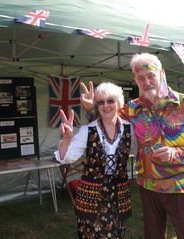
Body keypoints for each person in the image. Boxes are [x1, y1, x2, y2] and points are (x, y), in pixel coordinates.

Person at [80, 53, 184, 239]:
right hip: (148, 186)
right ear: (136, 80)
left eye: (151, 76)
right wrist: (90, 109)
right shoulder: (131, 109)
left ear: (162, 73)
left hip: (179, 184)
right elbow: (107, 122)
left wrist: (175, 153)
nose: (147, 82)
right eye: (141, 78)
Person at [54, 82, 137, 239]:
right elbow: (66, 157)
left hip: (119, 194)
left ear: (119, 102)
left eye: (110, 100)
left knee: (118, 235)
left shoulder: (129, 129)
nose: (106, 105)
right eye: (100, 102)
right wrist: (67, 139)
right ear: (96, 106)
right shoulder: (88, 130)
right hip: (91, 195)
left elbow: (139, 150)